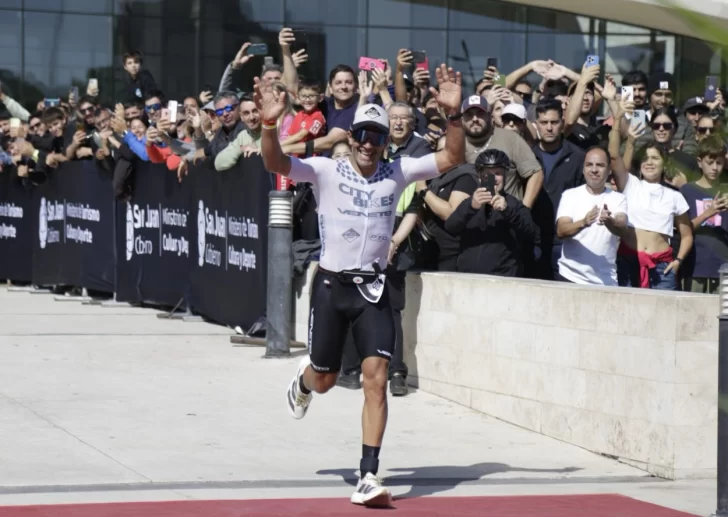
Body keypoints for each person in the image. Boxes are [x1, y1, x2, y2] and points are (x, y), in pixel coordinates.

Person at [254, 63, 465, 507]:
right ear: (351, 137)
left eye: (377, 137)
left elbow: (451, 158)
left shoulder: (398, 172)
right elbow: (275, 162)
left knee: (376, 378)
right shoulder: (326, 170)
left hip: (374, 289)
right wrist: (270, 126)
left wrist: (454, 116)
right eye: (363, 135)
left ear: (386, 142)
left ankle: (368, 475)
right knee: (326, 379)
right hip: (332, 287)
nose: (369, 144)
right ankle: (305, 382)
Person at [444, 149, 539, 276]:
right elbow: (450, 226)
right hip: (468, 277)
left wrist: (507, 210)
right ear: (479, 177)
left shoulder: (514, 204)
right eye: (487, 174)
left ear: (505, 175)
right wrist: (471, 206)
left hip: (502, 277)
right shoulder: (470, 202)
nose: (493, 179)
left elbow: (531, 233)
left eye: (497, 173)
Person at [556, 146, 628, 285]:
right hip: (570, 277)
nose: (594, 170)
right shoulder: (569, 196)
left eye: (600, 165)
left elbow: (622, 226)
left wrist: (610, 222)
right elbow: (561, 230)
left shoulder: (618, 199)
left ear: (609, 170)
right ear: (583, 169)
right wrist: (583, 222)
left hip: (605, 280)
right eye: (589, 165)